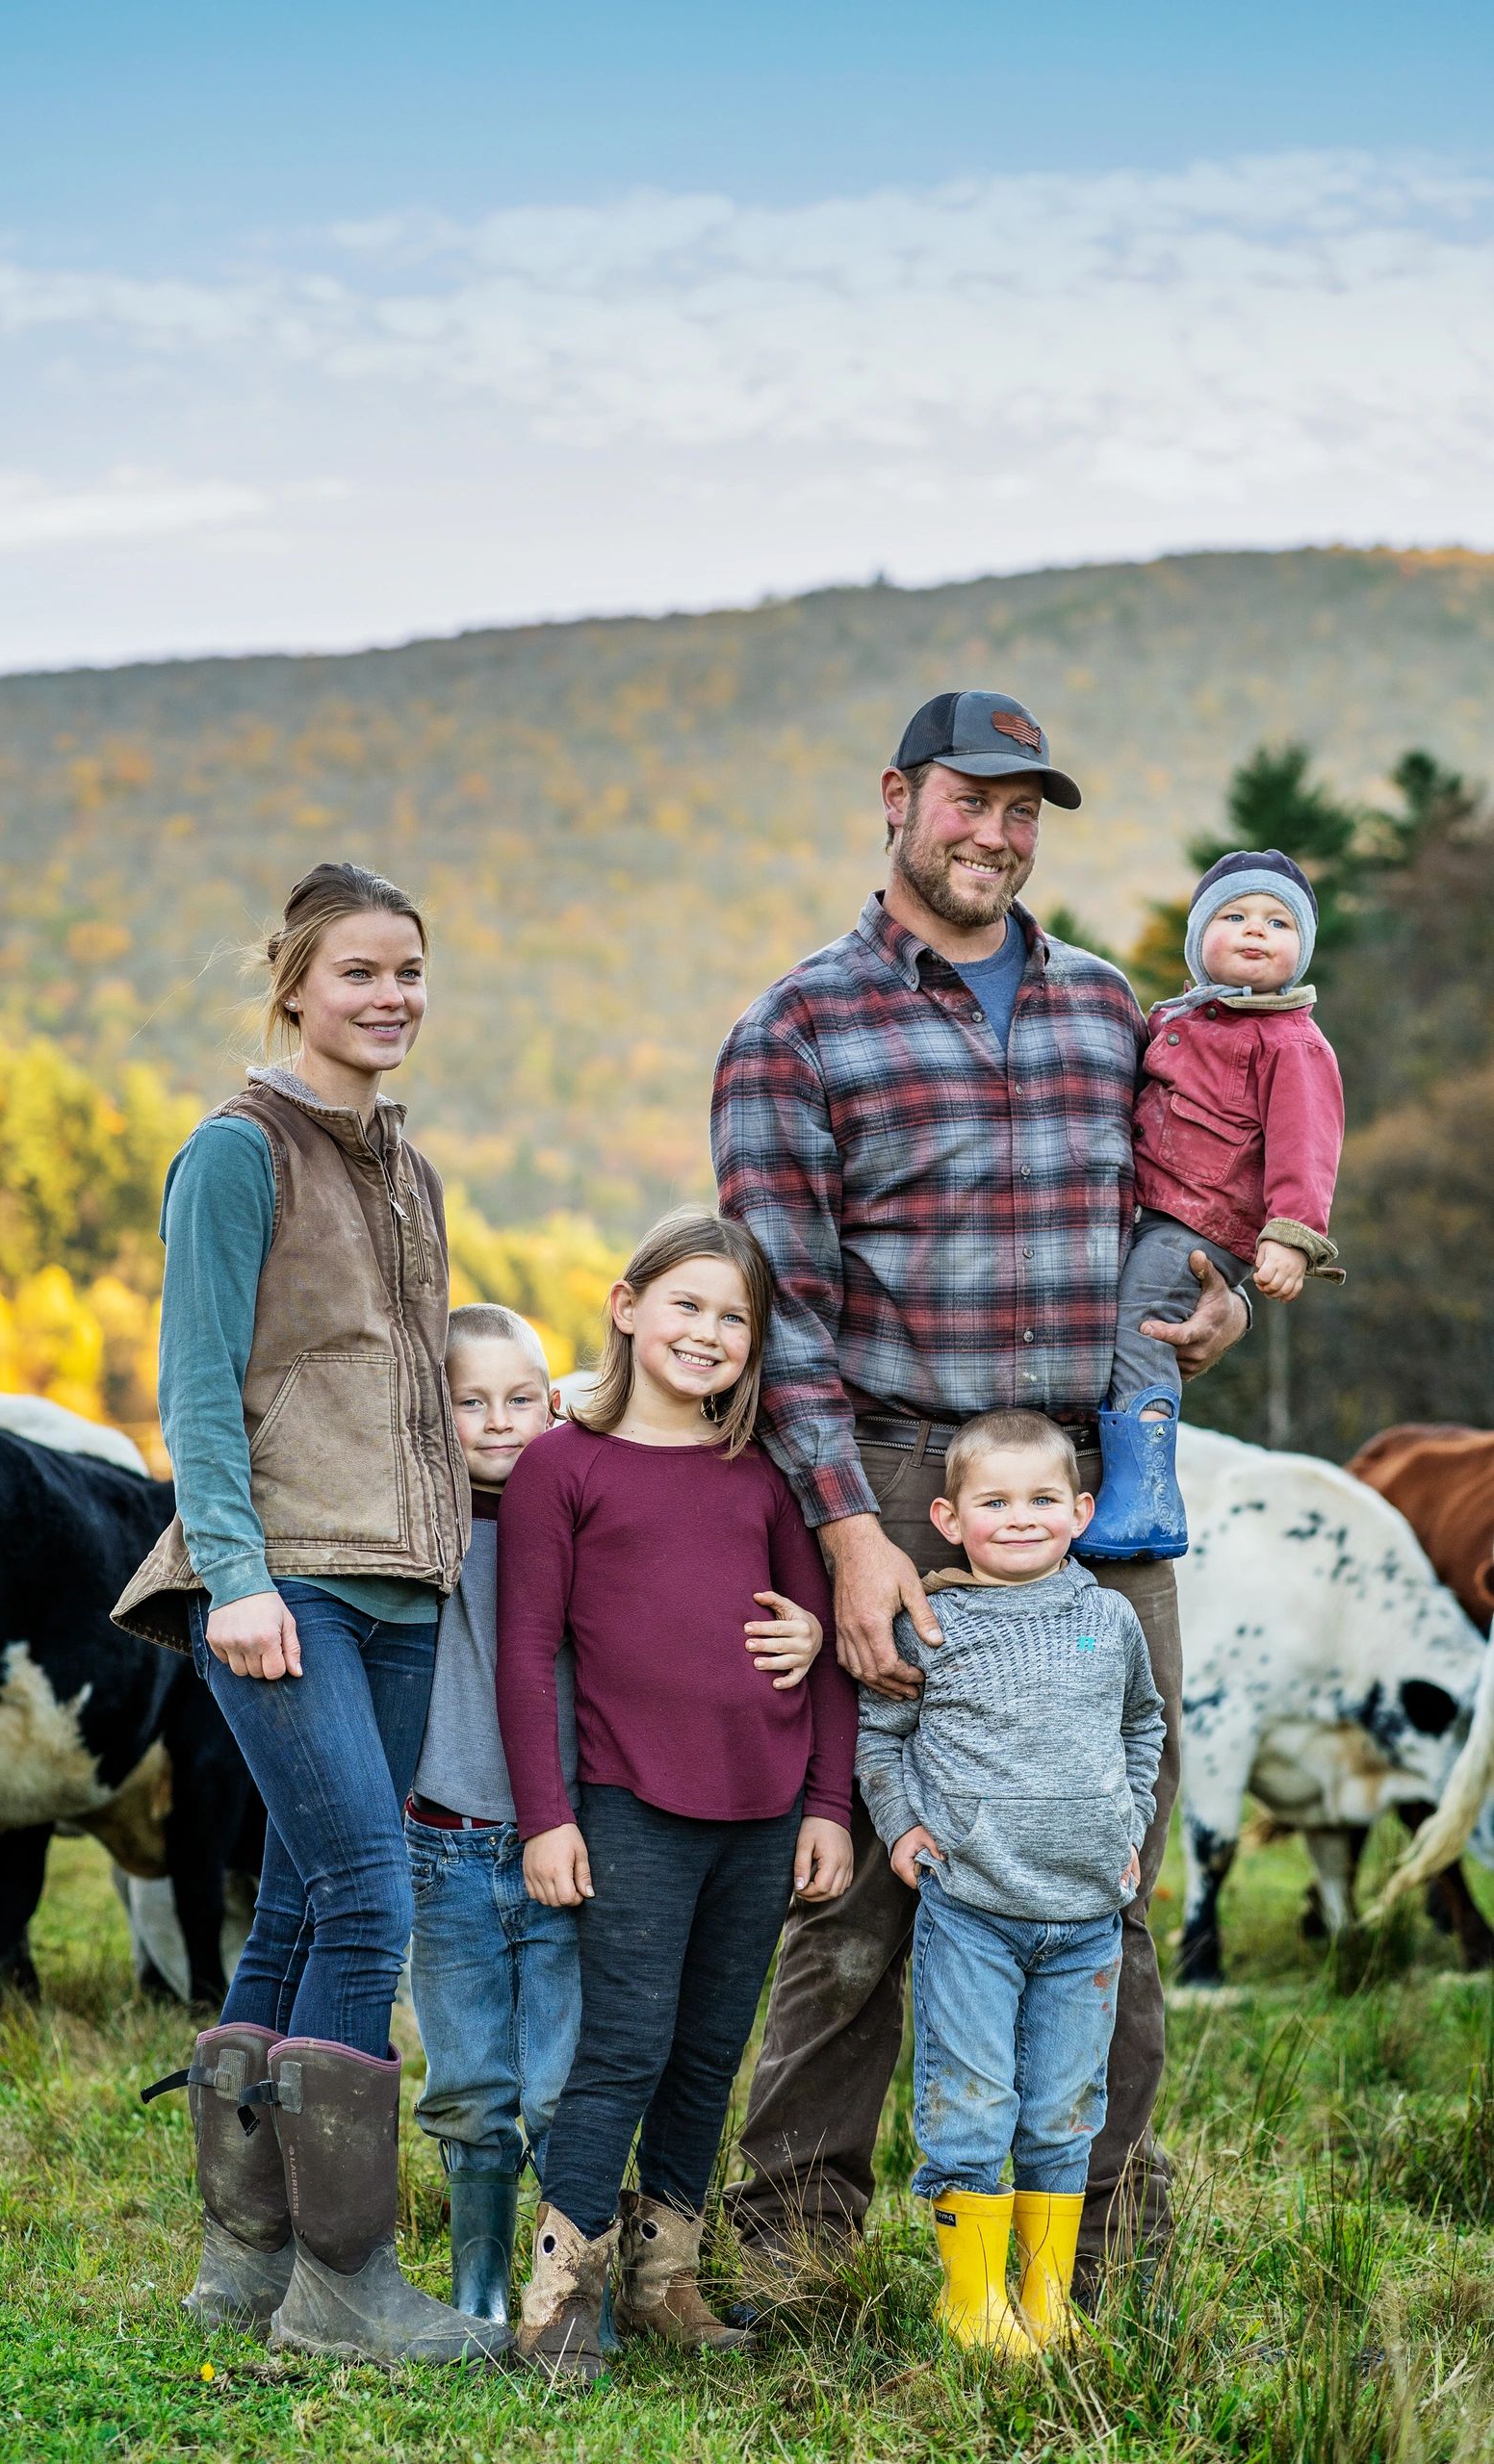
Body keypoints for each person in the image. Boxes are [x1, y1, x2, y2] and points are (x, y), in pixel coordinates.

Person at [709, 689, 1249, 2294]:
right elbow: (783, 1314)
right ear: (896, 799)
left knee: (1107, 1865)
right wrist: (850, 1533)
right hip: (890, 1473)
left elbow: (1188, 1201)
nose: (996, 835)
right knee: (880, 1884)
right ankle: (797, 2240)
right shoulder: (796, 1029)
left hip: (1088, 1484)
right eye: (970, 801)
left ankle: (1091, 2250)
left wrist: (1209, 1287)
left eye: (1025, 811)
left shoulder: (1109, 1016)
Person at [116, 861, 502, 2367]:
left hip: (404, 1584)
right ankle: (348, 2293)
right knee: (368, 1900)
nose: (390, 997)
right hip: (286, 1582)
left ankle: (248, 2262)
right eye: (358, 973)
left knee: (294, 1903)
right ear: (292, 986)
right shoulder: (236, 1150)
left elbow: (406, 1387)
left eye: (409, 971)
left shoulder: (404, 1168)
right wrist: (238, 1575)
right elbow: (198, 1382)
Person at [495, 1209, 858, 2381]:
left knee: (710, 2051)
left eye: (733, 1320)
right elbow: (523, 1654)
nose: (706, 1334)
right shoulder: (564, 1465)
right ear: (625, 1305)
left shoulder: (759, 1477)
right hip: (630, 1806)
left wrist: (826, 1805)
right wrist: (547, 1815)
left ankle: (666, 2279)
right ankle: (557, 2296)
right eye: (685, 1305)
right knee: (627, 2045)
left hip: (760, 1812)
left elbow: (826, 1650)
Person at [856, 1411, 1163, 2356]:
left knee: (1064, 2110)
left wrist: (1128, 1827)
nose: (1018, 1518)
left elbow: (1142, 1729)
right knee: (971, 2101)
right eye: (994, 1501)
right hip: (973, 1911)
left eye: (1040, 1499)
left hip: (1085, 1917)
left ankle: (1042, 2300)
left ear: (1078, 1510)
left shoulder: (1107, 1619)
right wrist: (902, 1826)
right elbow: (881, 1736)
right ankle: (970, 2300)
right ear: (948, 1516)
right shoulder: (931, 1621)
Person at [1083, 848, 1345, 1559]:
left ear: (1302, 949)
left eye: (1279, 923)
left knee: (1142, 1323)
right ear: (1199, 938)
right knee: (1111, 1314)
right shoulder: (1180, 1017)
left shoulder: (1294, 1044)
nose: (1256, 931)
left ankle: (1148, 1498)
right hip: (1150, 1205)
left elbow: (1307, 1148)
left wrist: (1290, 1237)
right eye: (1234, 916)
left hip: (1204, 1221)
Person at [402, 1302, 580, 2328]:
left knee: (560, 2082)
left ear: (552, 1403)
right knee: (468, 2077)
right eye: (468, 1400)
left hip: (563, 1837)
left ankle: (565, 2291)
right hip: (447, 1840)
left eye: (520, 1398)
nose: (497, 1420)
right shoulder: (418, 1525)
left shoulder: (578, 1511)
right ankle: (476, 2290)